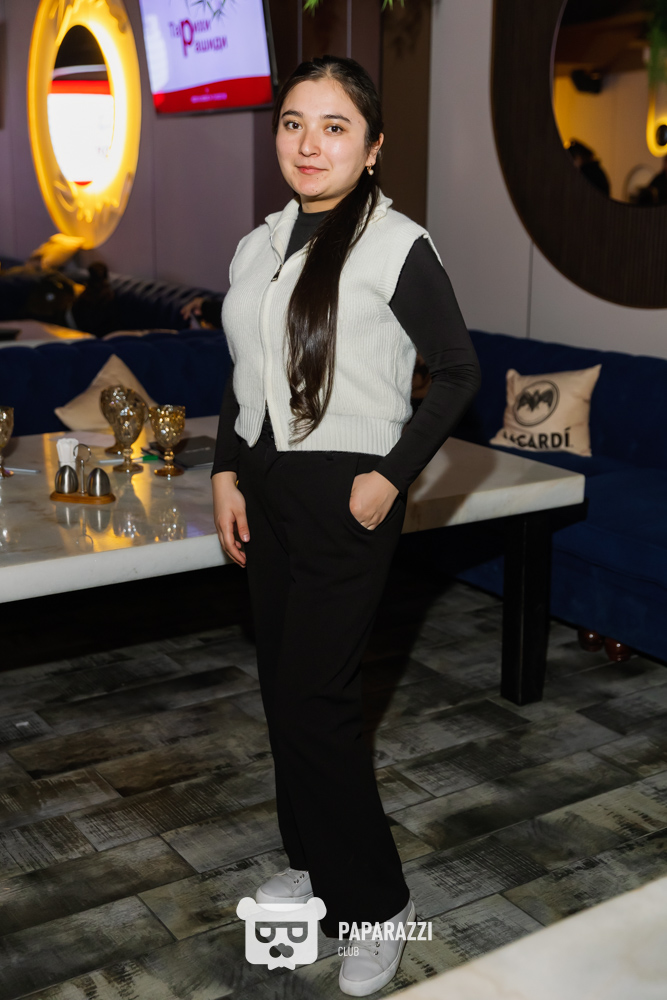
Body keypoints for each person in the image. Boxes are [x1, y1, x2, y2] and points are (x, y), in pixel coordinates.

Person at [211, 55, 480, 996]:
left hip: (347, 494)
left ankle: (375, 902)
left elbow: (458, 371)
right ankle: (314, 865)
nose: (308, 143)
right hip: (266, 488)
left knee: (319, 704)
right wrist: (225, 472)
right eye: (293, 122)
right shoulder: (257, 245)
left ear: (371, 148)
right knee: (284, 694)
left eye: (334, 126)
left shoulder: (396, 244)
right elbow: (242, 373)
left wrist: (390, 478)